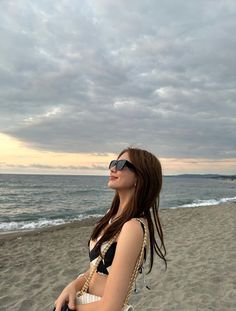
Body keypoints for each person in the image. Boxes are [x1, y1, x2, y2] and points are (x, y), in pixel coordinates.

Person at [54, 147, 167, 311]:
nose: (113, 168)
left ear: (140, 176)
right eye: (113, 163)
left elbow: (111, 307)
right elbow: (96, 266)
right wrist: (73, 285)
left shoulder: (132, 227)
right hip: (86, 300)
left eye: (121, 164)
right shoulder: (111, 216)